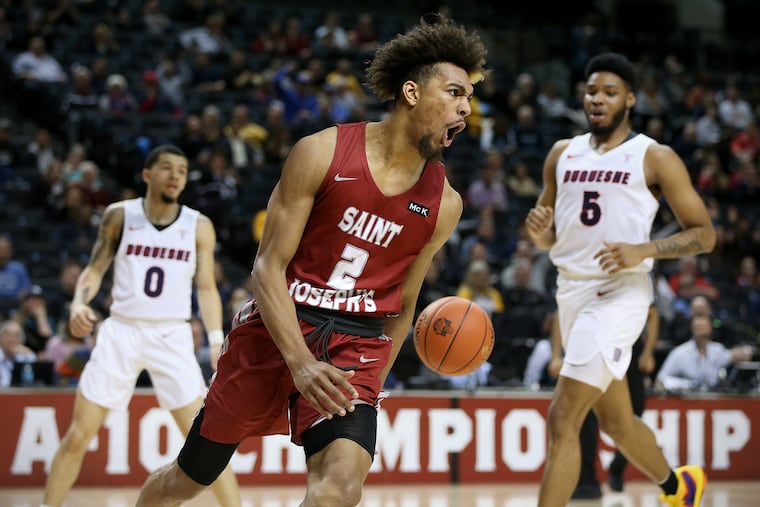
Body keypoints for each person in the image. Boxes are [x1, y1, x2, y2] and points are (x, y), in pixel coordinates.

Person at [136, 13, 488, 507]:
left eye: (469, 97)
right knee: (190, 476)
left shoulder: (444, 204)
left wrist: (370, 387)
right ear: (412, 93)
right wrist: (300, 363)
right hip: (277, 328)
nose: (465, 108)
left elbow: (405, 301)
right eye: (455, 93)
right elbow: (266, 268)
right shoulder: (321, 152)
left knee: (340, 489)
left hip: (355, 345)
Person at [525, 52, 715, 507]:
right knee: (617, 422)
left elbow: (704, 234)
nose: (597, 98)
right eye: (591, 90)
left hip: (619, 294)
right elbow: (551, 236)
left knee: (563, 418)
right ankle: (678, 487)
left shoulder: (654, 156)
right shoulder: (560, 153)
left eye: (609, 92)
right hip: (571, 291)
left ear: (629, 100)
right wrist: (539, 235)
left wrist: (645, 249)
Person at [40, 145, 240, 507]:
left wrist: (214, 339)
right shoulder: (120, 215)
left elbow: (207, 287)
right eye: (167, 167)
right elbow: (97, 267)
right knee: (77, 435)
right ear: (148, 175)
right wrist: (79, 302)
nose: (176, 175)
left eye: (181, 169)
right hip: (121, 331)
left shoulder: (198, 225)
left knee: (206, 444)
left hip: (172, 334)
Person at [656, 314, 754, 391]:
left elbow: (732, 355)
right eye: (699, 330)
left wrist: (744, 351)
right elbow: (661, 379)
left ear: (710, 331)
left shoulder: (717, 350)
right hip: (687, 400)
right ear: (693, 331)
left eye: (705, 332)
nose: (702, 335)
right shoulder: (679, 353)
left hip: (713, 398)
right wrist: (686, 385)